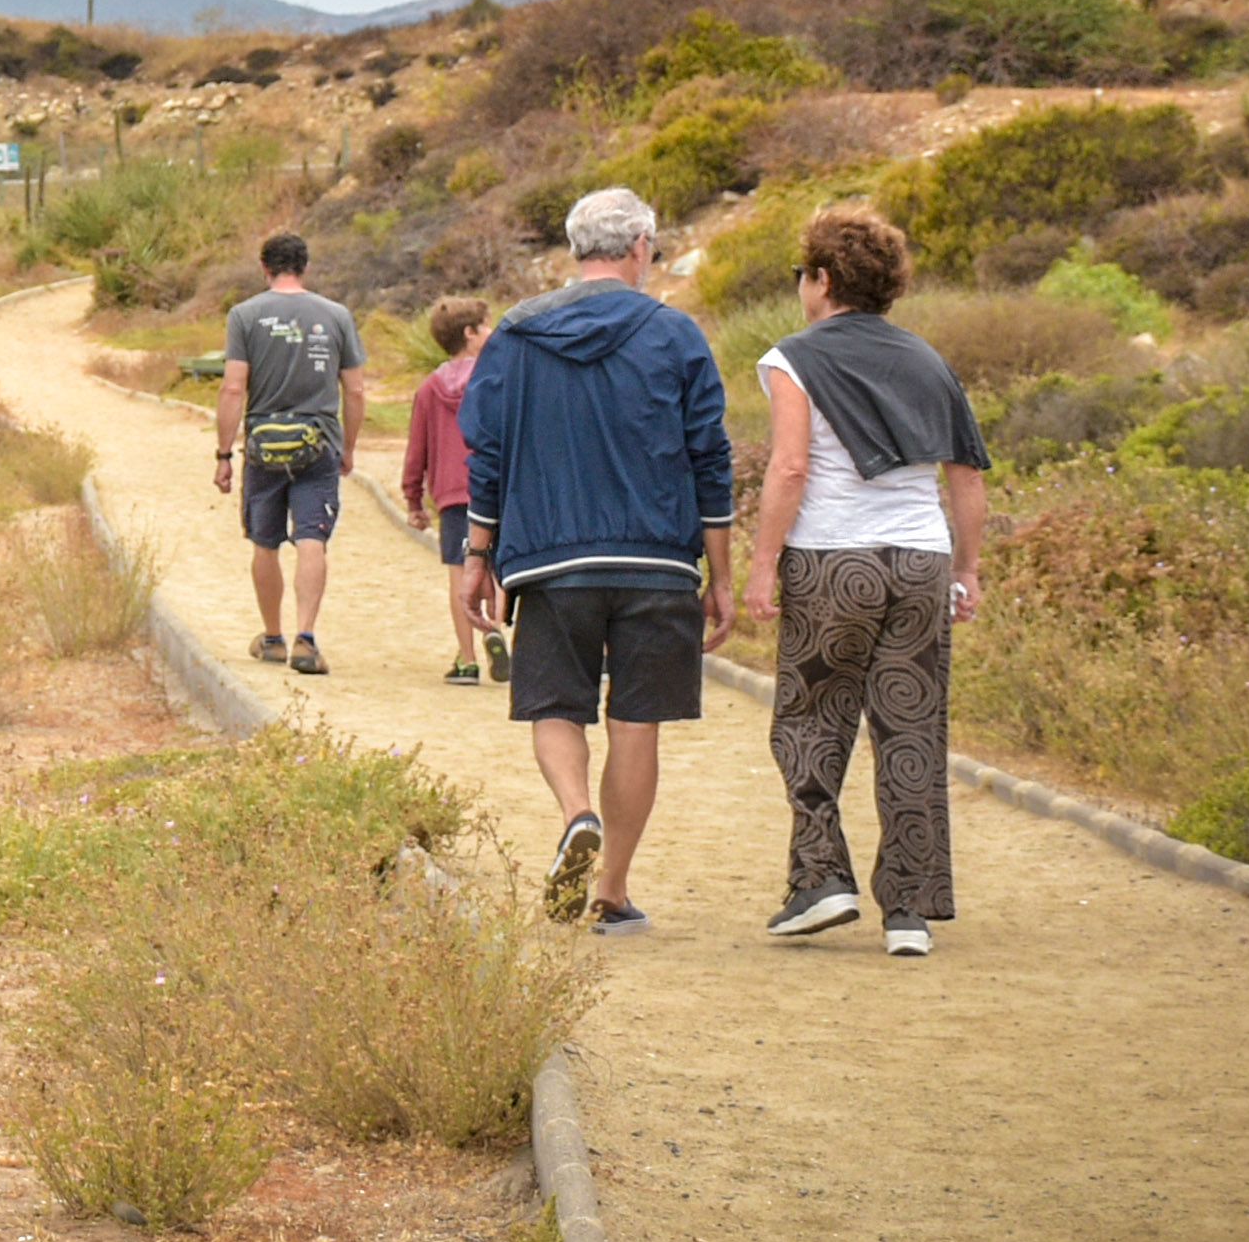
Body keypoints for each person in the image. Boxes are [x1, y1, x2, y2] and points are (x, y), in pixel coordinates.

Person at [462, 186, 735, 936]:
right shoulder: (677, 334)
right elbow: (711, 459)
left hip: (550, 559)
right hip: (658, 560)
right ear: (642, 246)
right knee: (636, 722)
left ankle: (575, 813)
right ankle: (612, 888)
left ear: (576, 248)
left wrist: (476, 554)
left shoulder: (515, 335)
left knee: (554, 704)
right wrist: (724, 577)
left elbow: (487, 453)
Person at [739, 202, 990, 959]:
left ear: (822, 278)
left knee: (812, 721)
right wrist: (968, 569)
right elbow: (967, 478)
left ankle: (821, 880)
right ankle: (908, 911)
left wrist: (761, 563)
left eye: (802, 274)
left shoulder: (794, 357)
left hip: (831, 560)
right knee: (909, 730)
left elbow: (789, 467)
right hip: (919, 561)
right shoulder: (926, 359)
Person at [213, 231, 363, 676]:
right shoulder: (336, 315)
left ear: (264, 268)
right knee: (311, 538)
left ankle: (273, 636)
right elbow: (354, 390)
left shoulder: (244, 316)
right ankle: (306, 636)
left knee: (265, 541)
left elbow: (233, 387)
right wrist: (348, 447)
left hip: (264, 445)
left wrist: (224, 455)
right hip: (318, 442)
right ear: (305, 267)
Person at [399, 294, 503, 686]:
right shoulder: (499, 379)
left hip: (453, 496)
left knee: (461, 575)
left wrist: (413, 500)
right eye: (487, 325)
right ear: (470, 333)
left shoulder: (429, 388)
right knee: (501, 566)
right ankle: (500, 632)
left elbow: (417, 448)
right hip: (498, 488)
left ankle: (468, 658)